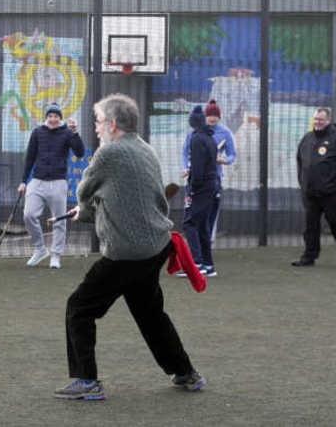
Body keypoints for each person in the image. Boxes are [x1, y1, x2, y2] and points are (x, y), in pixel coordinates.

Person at [54, 94, 206, 401]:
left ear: (111, 124)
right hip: (154, 247)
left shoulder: (109, 154)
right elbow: (122, 198)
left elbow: (84, 190)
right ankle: (186, 373)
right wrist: (86, 211)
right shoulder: (143, 148)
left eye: (97, 122)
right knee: (151, 315)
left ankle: (87, 382)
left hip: (127, 254)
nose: (95, 128)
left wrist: (83, 206)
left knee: (79, 308)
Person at [17, 103, 85, 269]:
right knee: (29, 215)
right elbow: (30, 158)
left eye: (56, 116)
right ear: (46, 117)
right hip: (37, 181)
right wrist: (23, 181)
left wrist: (75, 132)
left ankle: (56, 255)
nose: (53, 119)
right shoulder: (37, 132)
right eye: (50, 116)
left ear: (60, 118)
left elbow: (80, 152)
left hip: (58, 182)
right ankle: (40, 249)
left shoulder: (68, 133)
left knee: (59, 220)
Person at [292, 107, 336, 267]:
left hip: (332, 193)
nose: (318, 122)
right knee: (310, 226)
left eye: (321, 119)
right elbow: (300, 161)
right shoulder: (307, 139)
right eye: (316, 119)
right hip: (310, 192)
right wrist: (303, 183)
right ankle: (309, 256)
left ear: (328, 120)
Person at [181, 99, 236, 241]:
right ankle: (193, 239)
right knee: (191, 208)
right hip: (195, 177)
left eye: (215, 115)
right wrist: (185, 167)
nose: (212, 118)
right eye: (209, 115)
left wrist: (223, 160)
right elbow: (184, 152)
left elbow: (232, 155)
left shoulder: (225, 133)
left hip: (214, 178)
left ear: (219, 116)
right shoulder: (194, 132)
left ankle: (208, 240)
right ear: (204, 117)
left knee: (211, 210)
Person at [181, 105, 219, 278]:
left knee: (190, 223)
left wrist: (193, 188)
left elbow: (197, 167)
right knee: (203, 225)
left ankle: (196, 263)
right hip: (211, 185)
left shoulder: (196, 138)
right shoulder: (210, 138)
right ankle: (208, 265)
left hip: (201, 187)